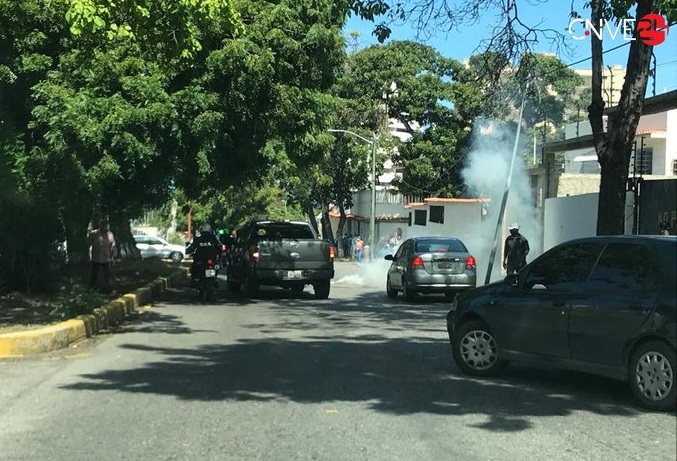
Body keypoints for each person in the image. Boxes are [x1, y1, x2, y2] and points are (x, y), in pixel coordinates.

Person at [89, 215, 116, 291]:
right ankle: (92, 288)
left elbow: (112, 246)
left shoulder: (110, 235)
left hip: (106, 258)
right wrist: (89, 255)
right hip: (96, 258)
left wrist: (112, 257)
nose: (105, 227)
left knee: (107, 274)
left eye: (106, 225)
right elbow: (88, 243)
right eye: (103, 225)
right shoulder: (94, 234)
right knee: (94, 274)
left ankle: (107, 288)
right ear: (100, 226)